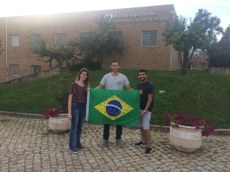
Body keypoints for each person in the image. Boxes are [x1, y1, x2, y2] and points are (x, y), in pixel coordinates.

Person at [97, 59, 132, 148]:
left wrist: (136, 92)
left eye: (116, 65)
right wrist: (91, 90)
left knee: (119, 122)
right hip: (108, 102)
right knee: (106, 121)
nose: (115, 67)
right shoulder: (106, 76)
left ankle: (118, 139)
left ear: (119, 66)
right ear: (111, 66)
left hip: (119, 103)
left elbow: (128, 88)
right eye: (113, 65)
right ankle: (105, 140)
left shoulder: (123, 77)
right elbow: (100, 86)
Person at [67, 68, 89, 153]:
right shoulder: (74, 84)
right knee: (74, 127)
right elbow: (70, 98)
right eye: (83, 74)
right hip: (75, 106)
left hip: (83, 107)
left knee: (80, 127)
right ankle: (72, 146)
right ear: (80, 74)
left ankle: (78, 144)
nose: (84, 76)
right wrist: (69, 112)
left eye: (86, 75)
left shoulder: (86, 87)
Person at [135, 69, 154, 154]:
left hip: (147, 110)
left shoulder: (150, 85)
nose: (141, 76)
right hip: (139, 108)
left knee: (146, 127)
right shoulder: (138, 84)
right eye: (140, 75)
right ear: (138, 76)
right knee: (141, 126)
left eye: (143, 74)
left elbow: (150, 99)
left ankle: (149, 146)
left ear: (146, 75)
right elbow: (137, 95)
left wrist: (145, 110)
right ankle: (143, 141)